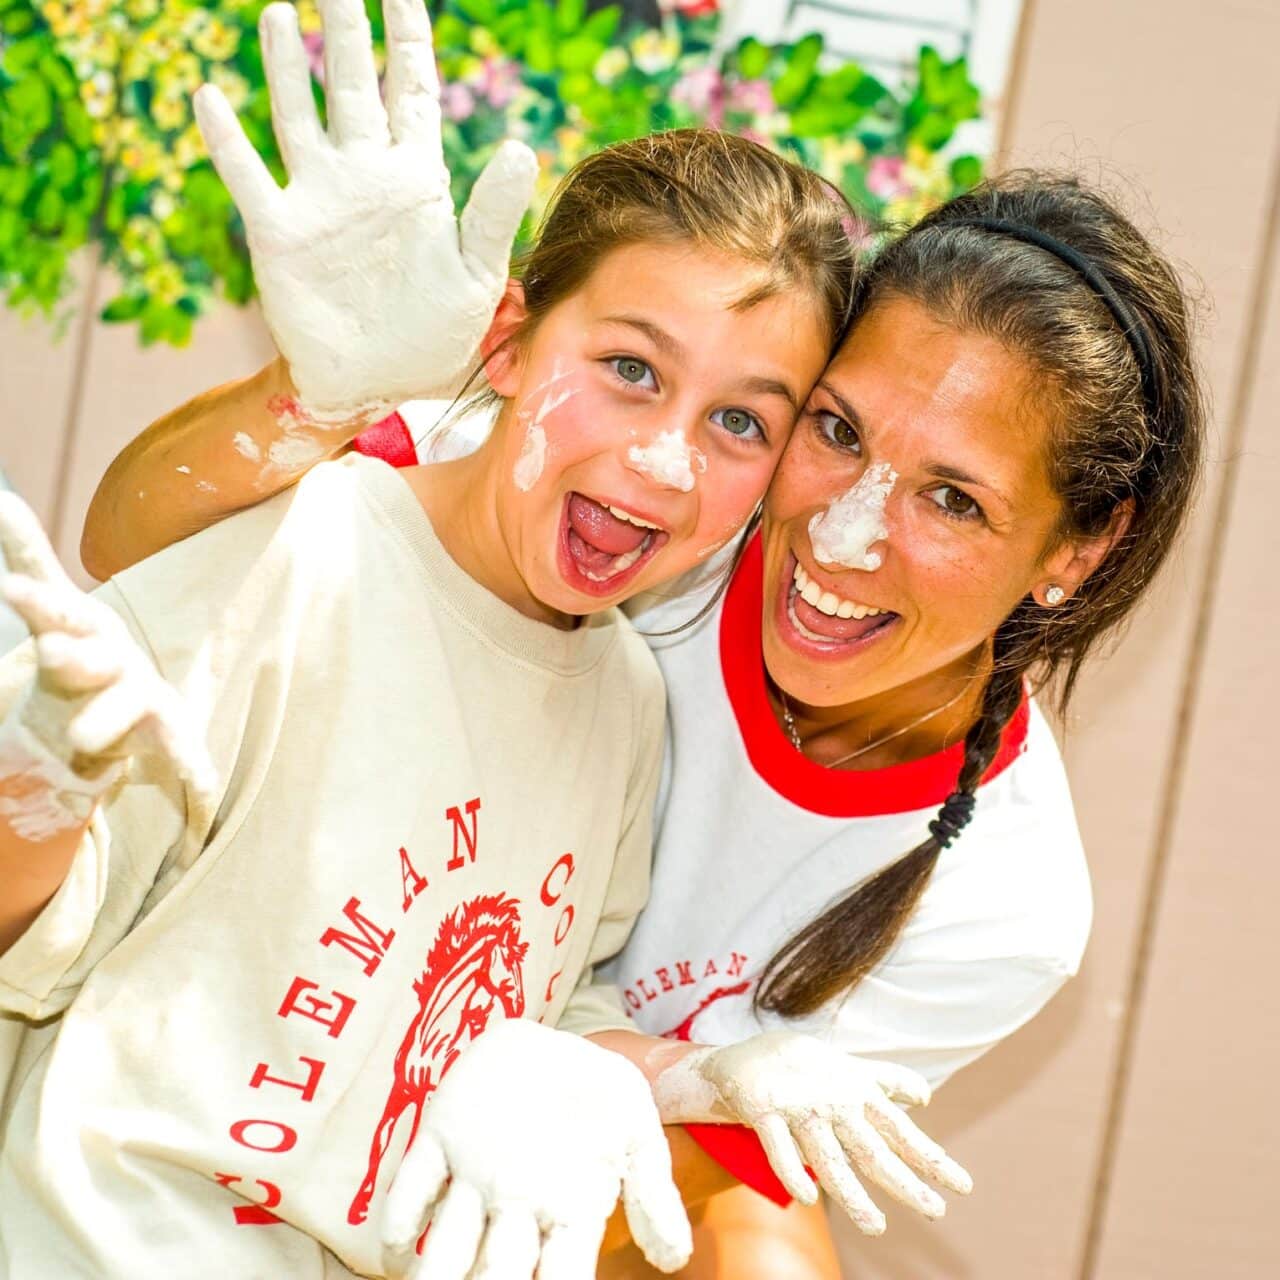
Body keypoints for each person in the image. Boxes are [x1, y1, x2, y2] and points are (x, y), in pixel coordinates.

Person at [80, 10, 1207, 1280]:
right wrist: (310, 398)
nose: (841, 535)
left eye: (954, 499)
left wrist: (608, 1076)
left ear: (1077, 549)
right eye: (834, 431)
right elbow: (137, 552)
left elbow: (710, 1194)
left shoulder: (1002, 903)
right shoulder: (655, 522)